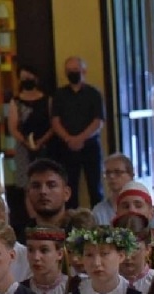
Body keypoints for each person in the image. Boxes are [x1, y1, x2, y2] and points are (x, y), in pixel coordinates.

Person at [49, 56, 105, 207]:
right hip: (66, 147)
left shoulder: (94, 93)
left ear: (83, 71)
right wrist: (69, 139)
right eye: (69, 71)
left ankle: (98, 219)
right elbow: (55, 121)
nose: (72, 73)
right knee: (69, 188)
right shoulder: (59, 95)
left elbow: (98, 121)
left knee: (95, 187)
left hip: (90, 146)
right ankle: (72, 219)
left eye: (75, 70)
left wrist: (80, 138)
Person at [7, 61, 53, 184]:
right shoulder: (16, 101)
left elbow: (53, 125)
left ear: (36, 78)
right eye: (23, 78)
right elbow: (13, 127)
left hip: (45, 146)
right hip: (23, 147)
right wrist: (26, 142)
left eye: (29, 78)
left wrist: (40, 142)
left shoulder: (48, 100)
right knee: (26, 181)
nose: (26, 81)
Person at [23, 225, 69, 294]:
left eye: (44, 250)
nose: (36, 257)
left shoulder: (75, 288)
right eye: (30, 250)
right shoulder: (20, 292)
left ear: (59, 254)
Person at [22, 158, 72, 231]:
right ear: (28, 193)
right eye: (36, 186)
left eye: (51, 185)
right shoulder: (19, 236)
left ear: (66, 193)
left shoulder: (84, 234)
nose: (43, 191)